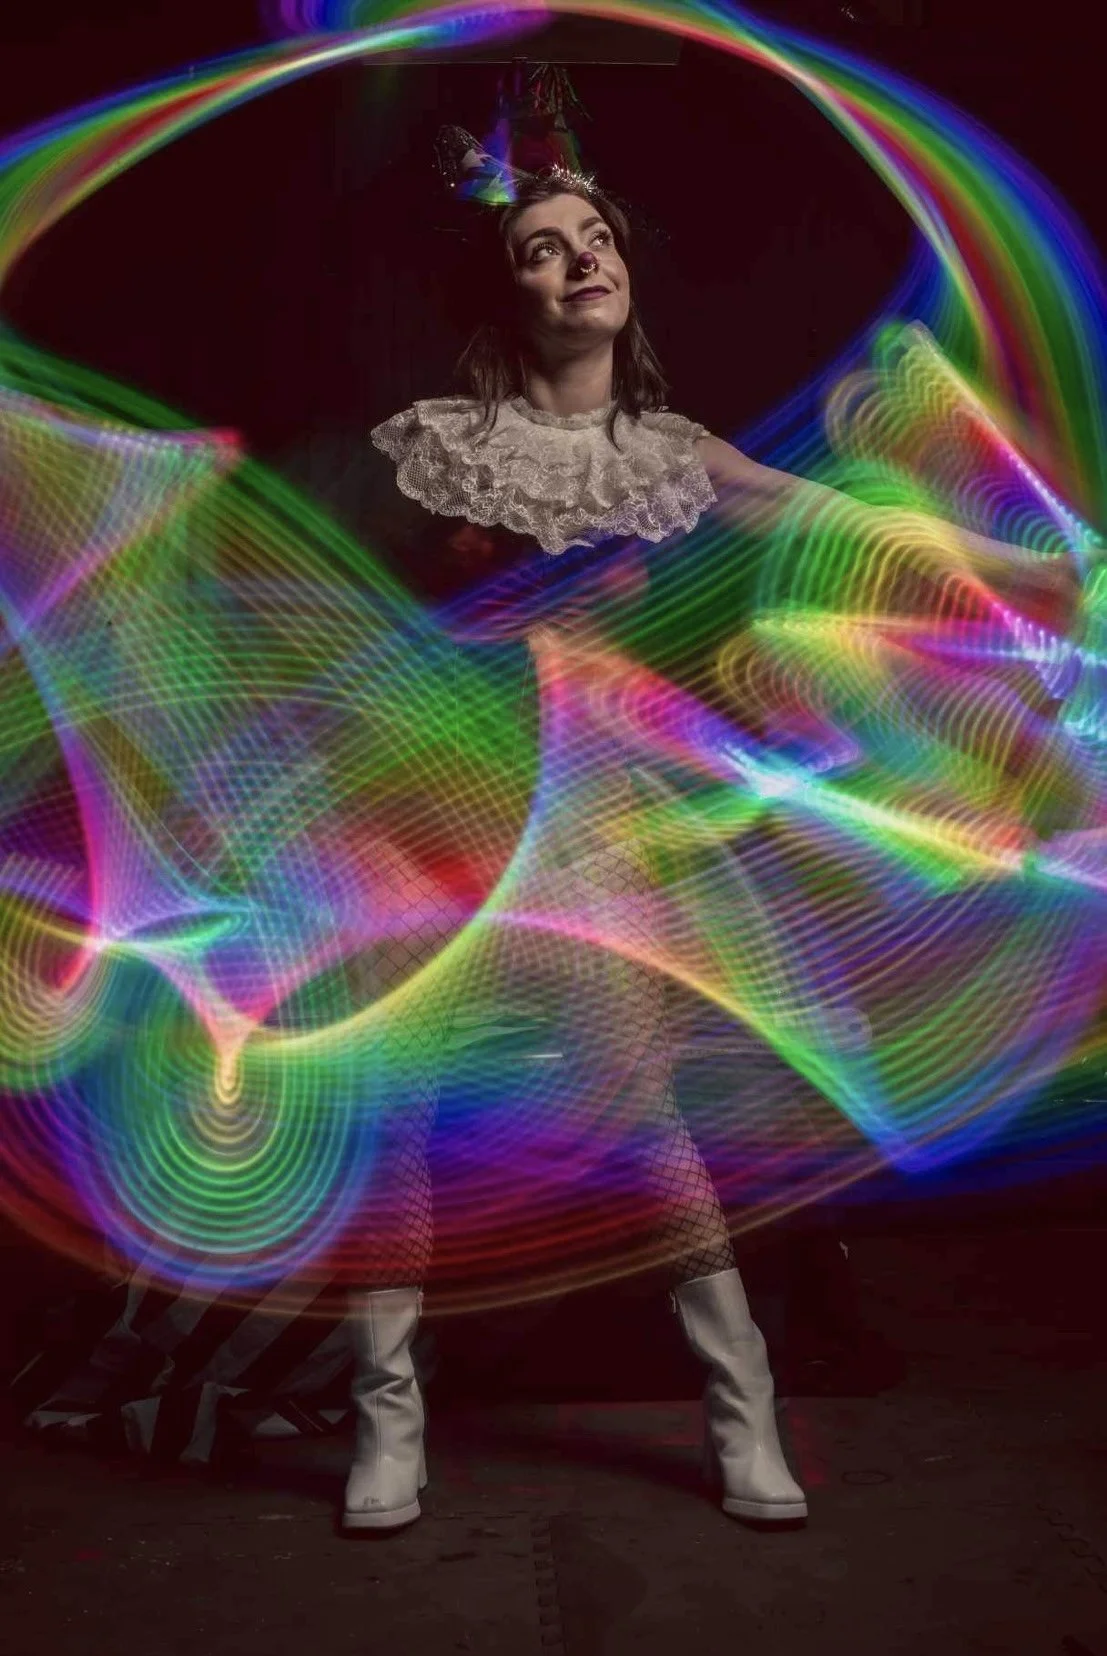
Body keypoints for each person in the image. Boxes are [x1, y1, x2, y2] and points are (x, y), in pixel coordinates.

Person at [342, 151, 817, 1537]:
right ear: (507, 297)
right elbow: (356, 638)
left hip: (590, 843)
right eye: (541, 248)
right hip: (433, 820)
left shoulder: (675, 459)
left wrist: (1031, 572)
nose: (579, 259)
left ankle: (745, 1413)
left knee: (638, 1124)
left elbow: (834, 521)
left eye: (595, 235)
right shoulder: (426, 442)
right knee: (395, 1119)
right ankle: (387, 1422)